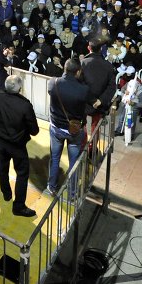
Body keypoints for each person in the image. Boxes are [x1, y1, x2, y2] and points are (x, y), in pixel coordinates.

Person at [46, 58, 99, 196]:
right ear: (78, 72)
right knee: (73, 162)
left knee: (55, 158)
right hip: (74, 131)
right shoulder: (83, 90)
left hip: (56, 128)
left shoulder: (53, 82)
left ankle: (51, 187)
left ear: (64, 68)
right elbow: (95, 103)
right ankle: (72, 192)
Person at [0, 73, 39, 217]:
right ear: (19, 88)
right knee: (22, 174)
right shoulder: (24, 105)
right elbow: (34, 131)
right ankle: (18, 206)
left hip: (1, 141)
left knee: (2, 167)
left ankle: (6, 193)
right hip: (17, 145)